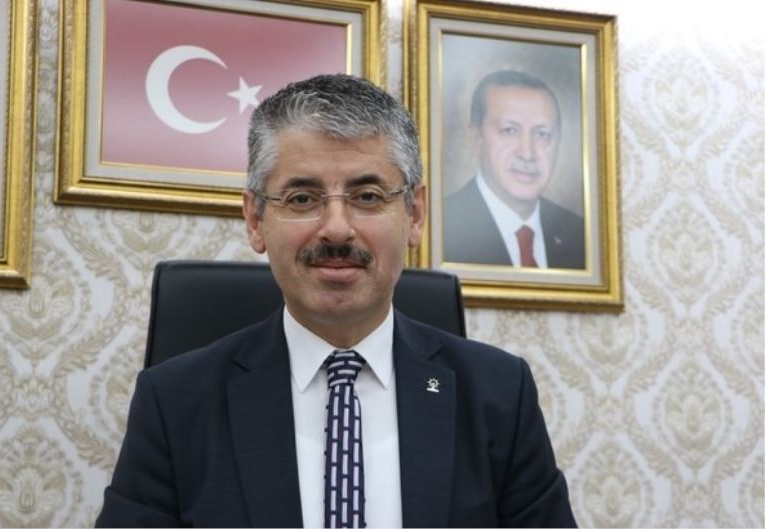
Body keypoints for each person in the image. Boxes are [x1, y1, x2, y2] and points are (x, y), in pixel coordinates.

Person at [96, 74, 576, 528]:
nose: (337, 229)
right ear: (255, 220)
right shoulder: (175, 402)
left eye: (367, 196)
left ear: (414, 215)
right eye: (302, 199)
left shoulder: (500, 394)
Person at [444, 70, 585, 269]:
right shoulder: (440, 227)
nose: (527, 153)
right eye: (509, 131)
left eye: (542, 134)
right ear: (476, 138)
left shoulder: (581, 236)